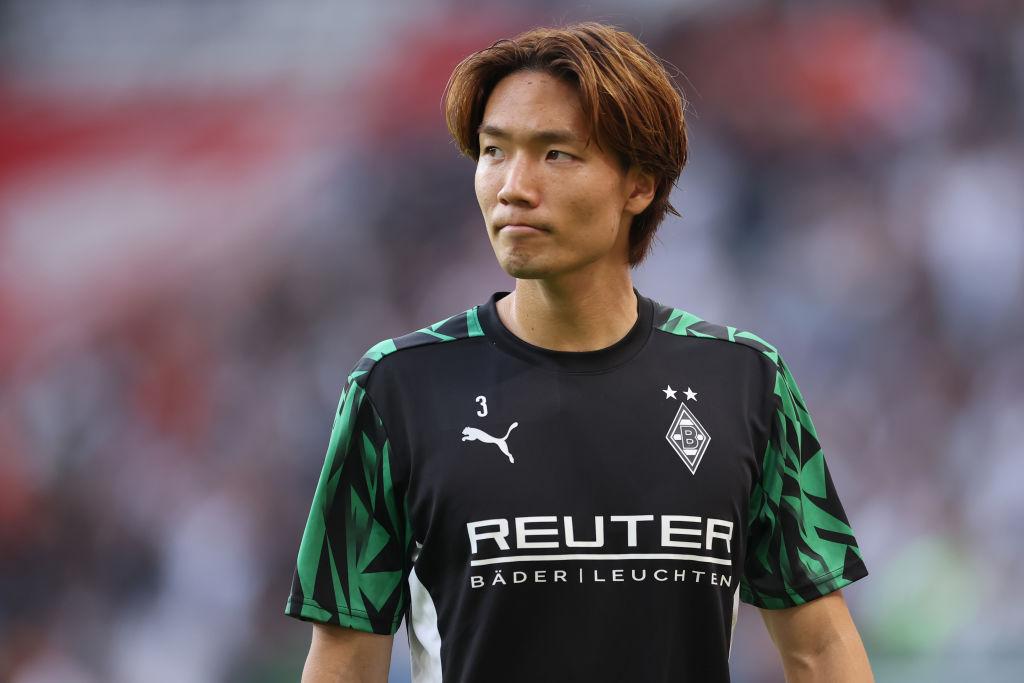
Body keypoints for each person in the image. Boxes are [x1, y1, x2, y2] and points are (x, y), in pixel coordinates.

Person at [285, 22, 873, 683]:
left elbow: (821, 649)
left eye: (556, 154)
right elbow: (344, 661)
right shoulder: (396, 387)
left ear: (639, 184)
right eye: (494, 151)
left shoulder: (745, 381)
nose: (513, 186)